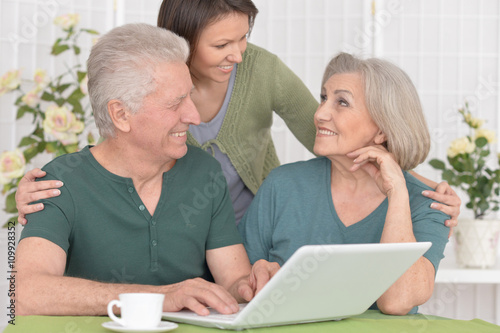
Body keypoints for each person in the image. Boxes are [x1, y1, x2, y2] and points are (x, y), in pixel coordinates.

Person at [15, 0, 460, 227]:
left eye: (244, 37)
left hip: (255, 227)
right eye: (222, 45)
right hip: (178, 229)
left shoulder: (262, 69)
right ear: (183, 42)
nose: (239, 55)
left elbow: (332, 133)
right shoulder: (150, 82)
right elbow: (117, 149)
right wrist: (49, 191)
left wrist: (417, 186)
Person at [16, 23, 279, 317]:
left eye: (190, 96)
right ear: (121, 114)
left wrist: (251, 285)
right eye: (176, 103)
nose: (193, 116)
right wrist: (158, 297)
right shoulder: (59, 182)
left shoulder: (205, 172)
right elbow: (26, 293)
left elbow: (232, 280)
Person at [238, 53, 450, 316]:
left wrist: (397, 193)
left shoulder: (429, 203)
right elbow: (236, 284)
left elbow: (397, 301)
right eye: (324, 98)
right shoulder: (282, 185)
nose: (320, 114)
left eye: (342, 102)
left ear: (382, 129)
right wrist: (255, 279)